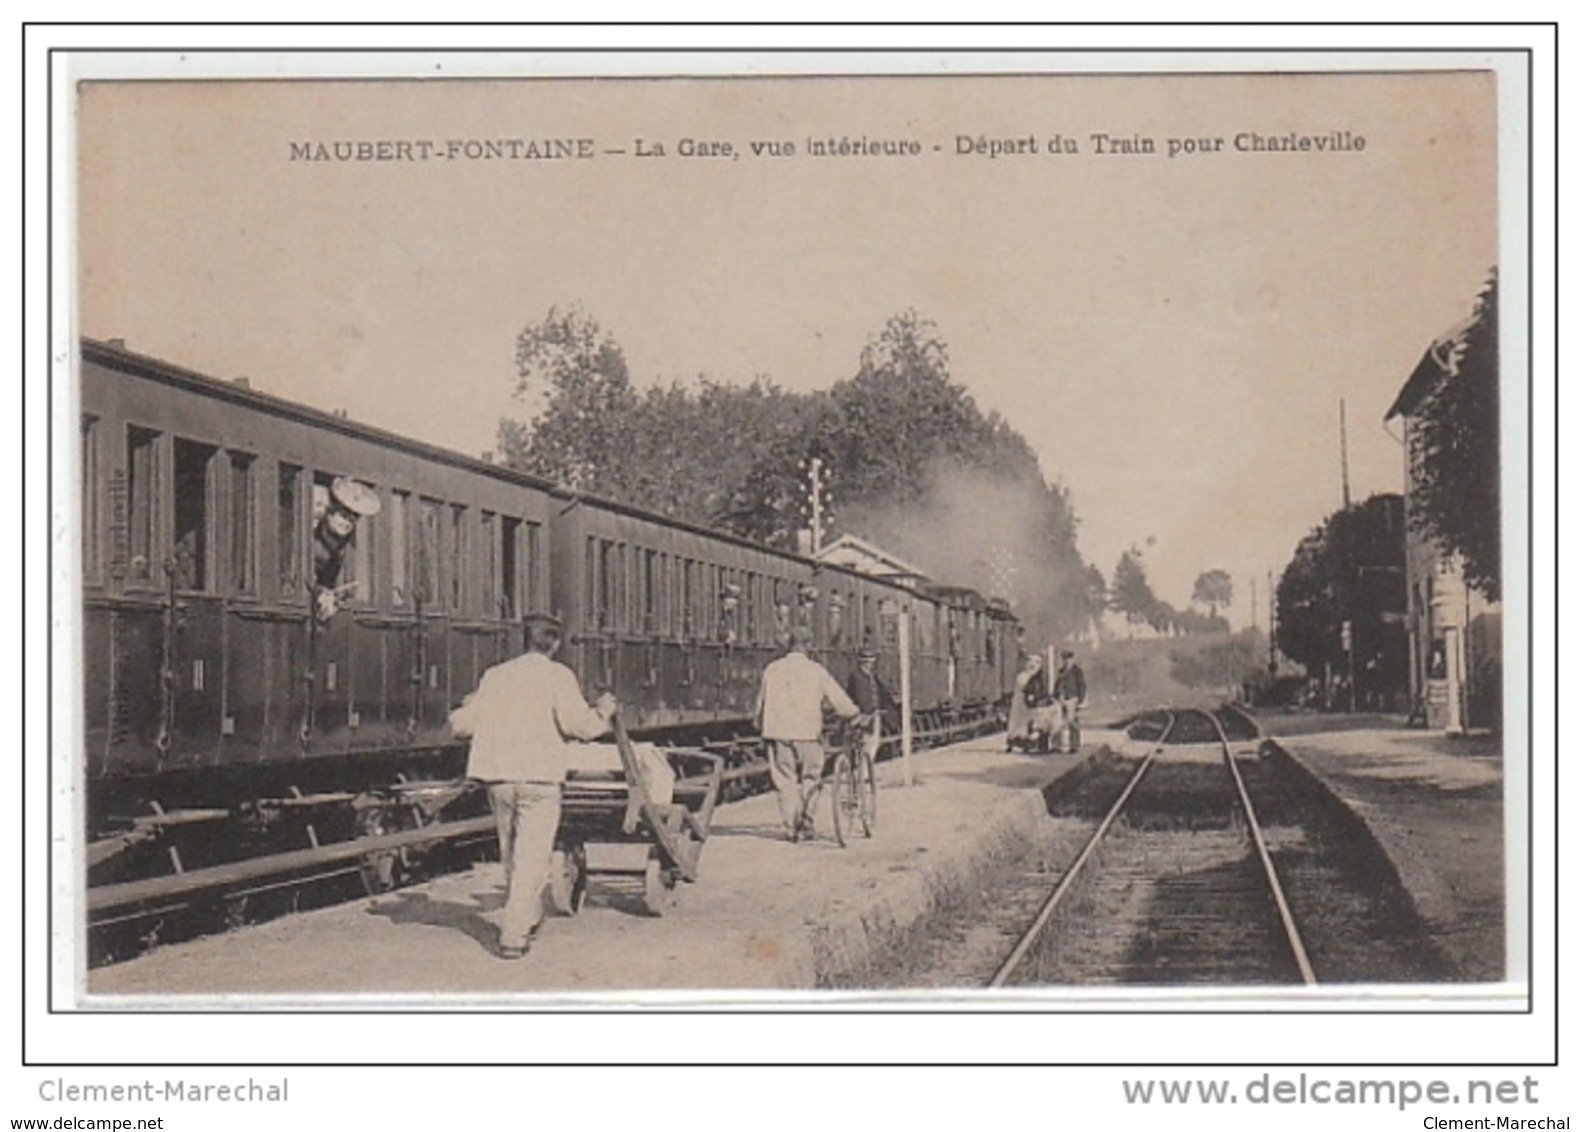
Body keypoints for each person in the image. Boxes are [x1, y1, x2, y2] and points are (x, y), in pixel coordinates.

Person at [449, 612, 616, 958]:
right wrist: (603, 712)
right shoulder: (558, 675)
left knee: (511, 851)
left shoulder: (495, 676)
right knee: (533, 857)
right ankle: (513, 935)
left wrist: (466, 709)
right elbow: (578, 726)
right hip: (539, 778)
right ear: (554, 644)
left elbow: (462, 725)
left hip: (499, 777)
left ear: (523, 641)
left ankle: (529, 913)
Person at [755, 625, 860, 842]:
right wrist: (853, 713)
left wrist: (760, 723)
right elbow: (838, 700)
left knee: (785, 781)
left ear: (789, 645)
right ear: (809, 646)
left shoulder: (772, 669)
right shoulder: (816, 670)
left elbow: (760, 703)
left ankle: (792, 828)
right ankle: (808, 822)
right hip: (808, 734)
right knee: (811, 777)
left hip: (779, 734)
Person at [312, 477, 380, 622]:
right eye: (343, 516)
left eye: (352, 520)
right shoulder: (314, 541)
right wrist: (321, 593)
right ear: (329, 514)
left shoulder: (341, 548)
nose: (348, 523)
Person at [845, 646, 899, 766]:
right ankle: (862, 773)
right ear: (862, 662)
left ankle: (865, 772)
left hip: (874, 716)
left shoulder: (872, 677)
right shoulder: (856, 677)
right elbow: (857, 696)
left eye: (871, 662)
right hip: (864, 716)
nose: (869, 665)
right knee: (865, 744)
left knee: (873, 744)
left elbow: (881, 694)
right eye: (867, 662)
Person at [1006, 653, 1048, 752]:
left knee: (1027, 722)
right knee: (1017, 721)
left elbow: (1039, 688)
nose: (1032, 664)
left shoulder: (1035, 676)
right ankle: (1013, 741)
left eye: (1035, 662)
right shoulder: (1024, 675)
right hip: (1020, 700)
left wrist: (1033, 696)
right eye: (1030, 662)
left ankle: (1026, 743)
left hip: (1028, 701)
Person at [1052, 649, 1087, 754]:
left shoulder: (1077, 671)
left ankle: (1074, 745)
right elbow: (1057, 684)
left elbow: (1082, 685)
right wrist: (1055, 696)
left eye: (1069, 659)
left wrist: (1080, 699)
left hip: (1072, 698)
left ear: (1072, 659)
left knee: (1072, 722)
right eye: (1065, 659)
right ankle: (1056, 745)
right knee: (1057, 723)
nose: (1067, 661)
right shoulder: (1061, 671)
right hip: (1061, 699)